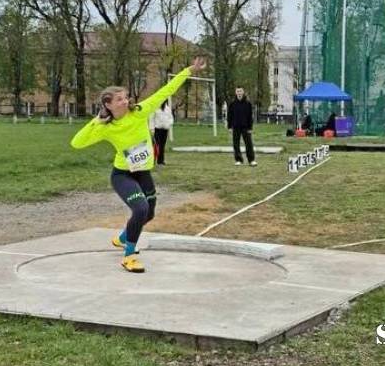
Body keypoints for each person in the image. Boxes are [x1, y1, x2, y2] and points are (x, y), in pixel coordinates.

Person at [71, 57, 206, 273]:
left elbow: (165, 91)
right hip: (122, 175)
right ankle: (129, 256)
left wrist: (188, 70)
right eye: (119, 100)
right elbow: (77, 143)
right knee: (140, 209)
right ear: (108, 105)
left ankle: (123, 238)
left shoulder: (140, 111)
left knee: (149, 214)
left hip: (143, 173)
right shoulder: (106, 127)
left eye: (125, 97)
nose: (125, 102)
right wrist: (96, 121)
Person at [227, 87, 256, 166]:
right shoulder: (232, 104)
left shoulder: (248, 103)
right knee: (236, 144)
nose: (239, 93)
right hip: (235, 127)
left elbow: (250, 117)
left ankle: (251, 160)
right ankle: (238, 160)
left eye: (240, 91)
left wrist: (250, 128)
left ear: (243, 92)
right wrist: (229, 127)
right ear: (236, 93)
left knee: (249, 144)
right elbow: (229, 116)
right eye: (238, 91)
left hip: (246, 127)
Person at [149, 99, 173, 166]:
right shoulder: (155, 108)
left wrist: (168, 124)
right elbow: (151, 119)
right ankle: (152, 160)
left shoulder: (168, 109)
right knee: (156, 146)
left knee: (162, 146)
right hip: (157, 130)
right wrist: (152, 129)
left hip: (165, 130)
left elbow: (171, 118)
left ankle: (161, 161)